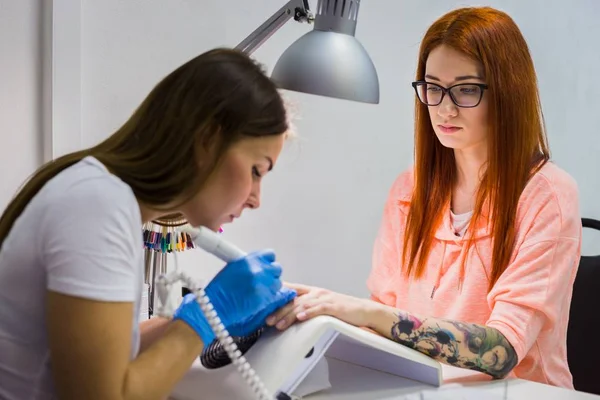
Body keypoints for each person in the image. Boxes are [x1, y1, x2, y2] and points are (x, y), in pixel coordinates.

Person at [267, 6, 581, 389]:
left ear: (507, 92)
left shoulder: (547, 195)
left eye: (466, 89)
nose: (444, 108)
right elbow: (385, 319)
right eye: (433, 88)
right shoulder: (409, 191)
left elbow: (502, 351)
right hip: (426, 390)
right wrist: (328, 317)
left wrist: (366, 313)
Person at [0, 48, 297, 400]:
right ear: (208, 140)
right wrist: (207, 315)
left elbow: (103, 354)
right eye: (256, 171)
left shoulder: (105, 198)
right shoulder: (98, 206)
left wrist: (208, 323)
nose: (255, 199)